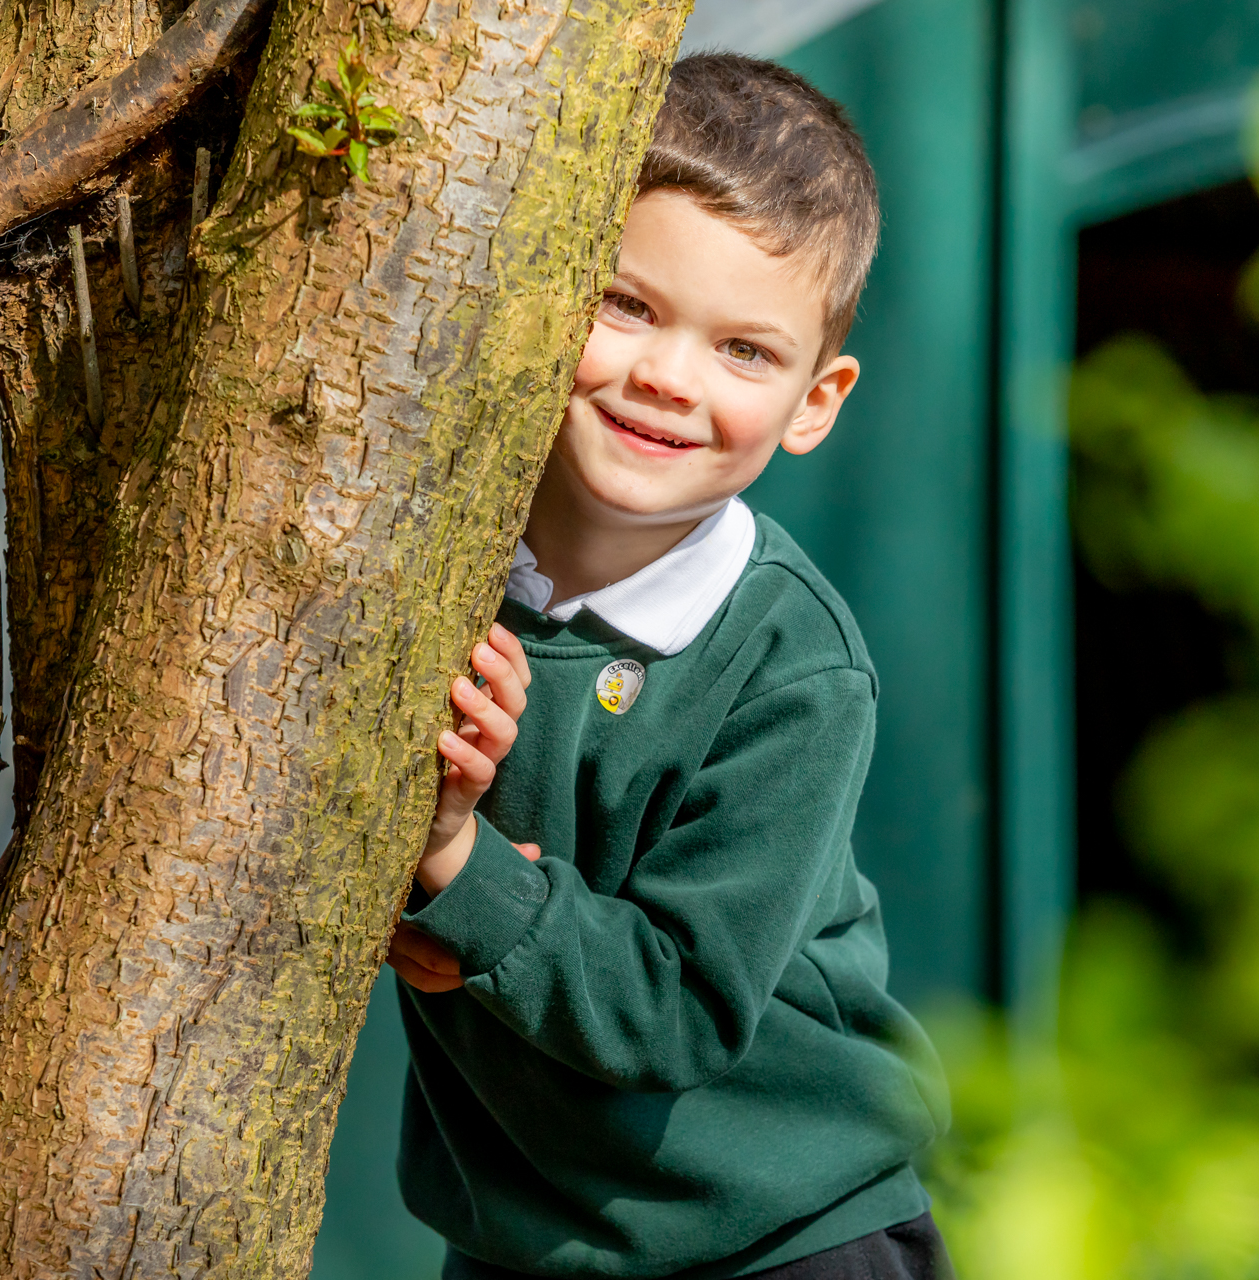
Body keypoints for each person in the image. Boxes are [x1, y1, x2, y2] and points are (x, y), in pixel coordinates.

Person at [386, 52, 952, 1280]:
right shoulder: (423, 567)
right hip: (520, 1235)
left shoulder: (790, 667)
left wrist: (456, 865)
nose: (668, 377)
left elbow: (680, 1006)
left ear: (815, 401)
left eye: (745, 350)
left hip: (780, 1235)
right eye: (628, 305)